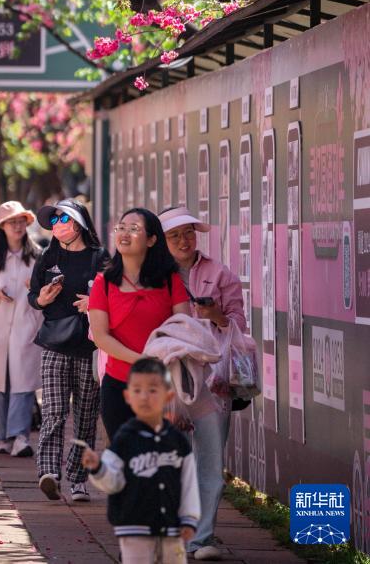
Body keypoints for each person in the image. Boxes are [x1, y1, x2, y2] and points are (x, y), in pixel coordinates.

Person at [160, 206, 247, 561]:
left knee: (209, 459)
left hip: (213, 377)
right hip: (168, 374)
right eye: (174, 235)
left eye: (188, 233)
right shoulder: (152, 275)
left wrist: (216, 316)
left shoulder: (220, 273)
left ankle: (201, 538)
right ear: (160, 241)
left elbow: (238, 325)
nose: (183, 241)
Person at [82, 357, 200, 564]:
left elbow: (189, 482)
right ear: (128, 396)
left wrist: (190, 519)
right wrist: (98, 468)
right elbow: (113, 481)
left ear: (168, 396)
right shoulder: (124, 439)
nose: (145, 397)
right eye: (137, 391)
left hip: (171, 528)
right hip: (133, 527)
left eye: (153, 390)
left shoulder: (177, 442)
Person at [29, 198, 108, 503]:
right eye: (54, 220)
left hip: (90, 346)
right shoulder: (48, 257)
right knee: (54, 411)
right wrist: (43, 299)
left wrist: (94, 303)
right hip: (54, 344)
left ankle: (78, 479)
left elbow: (114, 294)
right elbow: (33, 296)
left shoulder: (100, 257)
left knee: (86, 415)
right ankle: (49, 472)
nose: (58, 225)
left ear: (80, 223)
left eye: (65, 219)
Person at [89, 207, 190, 441]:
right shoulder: (103, 283)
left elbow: (184, 327)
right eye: (121, 227)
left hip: (163, 386)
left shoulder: (170, 280)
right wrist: (142, 360)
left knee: (158, 457)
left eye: (133, 229)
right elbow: (101, 337)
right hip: (118, 387)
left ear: (152, 240)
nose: (124, 233)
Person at [0, 200, 42, 457]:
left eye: (21, 222)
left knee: (23, 383)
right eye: (12, 222)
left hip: (27, 325)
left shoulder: (37, 255)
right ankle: (2, 437)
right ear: (2, 227)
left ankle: (20, 436)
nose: (17, 227)